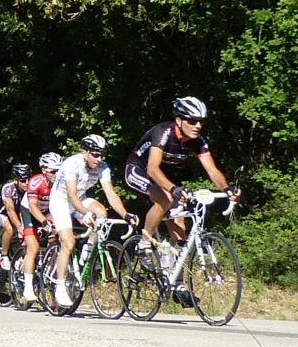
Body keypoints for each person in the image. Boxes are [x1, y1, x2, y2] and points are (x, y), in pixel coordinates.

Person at [125, 96, 240, 246]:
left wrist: (227, 189)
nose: (198, 125)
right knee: (165, 198)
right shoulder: (164, 132)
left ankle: (175, 265)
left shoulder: (198, 140)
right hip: (139, 170)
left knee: (180, 225)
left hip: (163, 176)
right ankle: (144, 244)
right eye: (192, 121)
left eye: (201, 121)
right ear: (179, 121)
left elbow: (212, 170)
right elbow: (152, 169)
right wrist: (173, 189)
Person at [50, 135, 139, 307]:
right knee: (68, 243)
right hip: (61, 200)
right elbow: (71, 195)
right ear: (85, 152)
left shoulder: (103, 167)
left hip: (80, 198)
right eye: (96, 155)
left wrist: (125, 215)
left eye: (102, 155)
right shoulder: (71, 163)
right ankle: (59, 286)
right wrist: (84, 214)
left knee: (100, 211)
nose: (100, 159)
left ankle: (88, 250)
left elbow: (111, 195)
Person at [19, 153, 62, 302]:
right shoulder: (36, 182)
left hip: (48, 211)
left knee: (58, 238)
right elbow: (32, 206)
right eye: (53, 171)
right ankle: (28, 288)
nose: (57, 174)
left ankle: (49, 267)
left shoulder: (62, 183)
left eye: (59, 170)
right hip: (30, 211)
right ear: (44, 170)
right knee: (33, 248)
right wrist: (44, 222)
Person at [0, 163, 31, 273]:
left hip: (15, 216)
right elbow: (10, 210)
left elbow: (25, 211)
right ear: (16, 180)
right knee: (9, 227)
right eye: (23, 181)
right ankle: (4, 255)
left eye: (28, 180)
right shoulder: (8, 188)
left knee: (26, 237)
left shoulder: (30, 190)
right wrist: (20, 227)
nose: (27, 183)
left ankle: (15, 272)